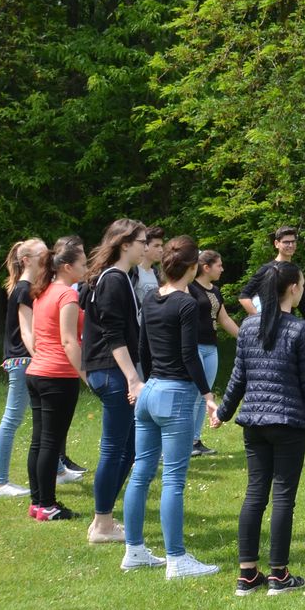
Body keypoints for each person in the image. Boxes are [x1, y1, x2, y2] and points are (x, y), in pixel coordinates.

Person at [214, 261, 305, 596]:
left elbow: (238, 378)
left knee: (255, 494)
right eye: (301, 284)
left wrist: (224, 413)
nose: (303, 289)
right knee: (283, 496)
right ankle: (278, 575)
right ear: (292, 289)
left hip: (254, 422)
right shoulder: (301, 331)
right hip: (287, 423)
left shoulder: (248, 326)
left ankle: (247, 575)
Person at [121, 235, 221, 579]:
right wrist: (207, 395)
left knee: (141, 473)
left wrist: (146, 381)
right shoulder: (187, 304)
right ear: (193, 267)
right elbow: (189, 355)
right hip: (175, 394)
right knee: (173, 480)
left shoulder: (151, 297)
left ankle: (134, 550)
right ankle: (176, 559)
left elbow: (143, 348)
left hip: (150, 391)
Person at [81, 219, 149, 545]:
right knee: (114, 448)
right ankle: (102, 525)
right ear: (125, 244)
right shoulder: (113, 280)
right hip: (112, 372)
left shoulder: (120, 277)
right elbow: (113, 335)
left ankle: (102, 519)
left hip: (111, 371)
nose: (145, 247)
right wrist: (133, 378)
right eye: (142, 241)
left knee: (130, 447)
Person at [27, 236, 88, 520]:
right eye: (82, 264)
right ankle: (48, 506)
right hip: (57, 376)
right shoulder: (67, 295)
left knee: (40, 441)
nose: (86, 269)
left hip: (37, 373)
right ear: (66, 267)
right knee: (51, 442)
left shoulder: (43, 291)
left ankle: (37, 503)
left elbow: (41, 336)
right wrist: (86, 375)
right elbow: (68, 340)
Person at [0, 238, 45, 498]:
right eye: (42, 255)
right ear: (26, 260)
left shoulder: (26, 288)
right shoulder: (23, 289)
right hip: (23, 360)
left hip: (24, 360)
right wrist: (40, 357)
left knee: (43, 415)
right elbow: (26, 332)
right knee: (12, 418)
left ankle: (57, 468)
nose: (48, 259)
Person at [187, 249, 236, 460]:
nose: (222, 269)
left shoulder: (215, 291)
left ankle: (195, 440)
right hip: (194, 346)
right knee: (193, 394)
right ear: (206, 268)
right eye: (219, 265)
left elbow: (224, 319)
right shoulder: (189, 288)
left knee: (204, 396)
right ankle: (184, 441)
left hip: (211, 347)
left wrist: (245, 337)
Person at [238, 226, 299, 316]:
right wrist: (259, 317)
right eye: (286, 242)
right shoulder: (267, 269)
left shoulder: (296, 269)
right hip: (271, 322)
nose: (290, 245)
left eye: (293, 242)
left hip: (289, 321)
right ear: (276, 244)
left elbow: (302, 303)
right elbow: (244, 296)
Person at [134, 226, 165, 307]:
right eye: (156, 246)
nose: (161, 250)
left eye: (161, 245)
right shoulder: (133, 272)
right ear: (145, 246)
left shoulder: (157, 274)